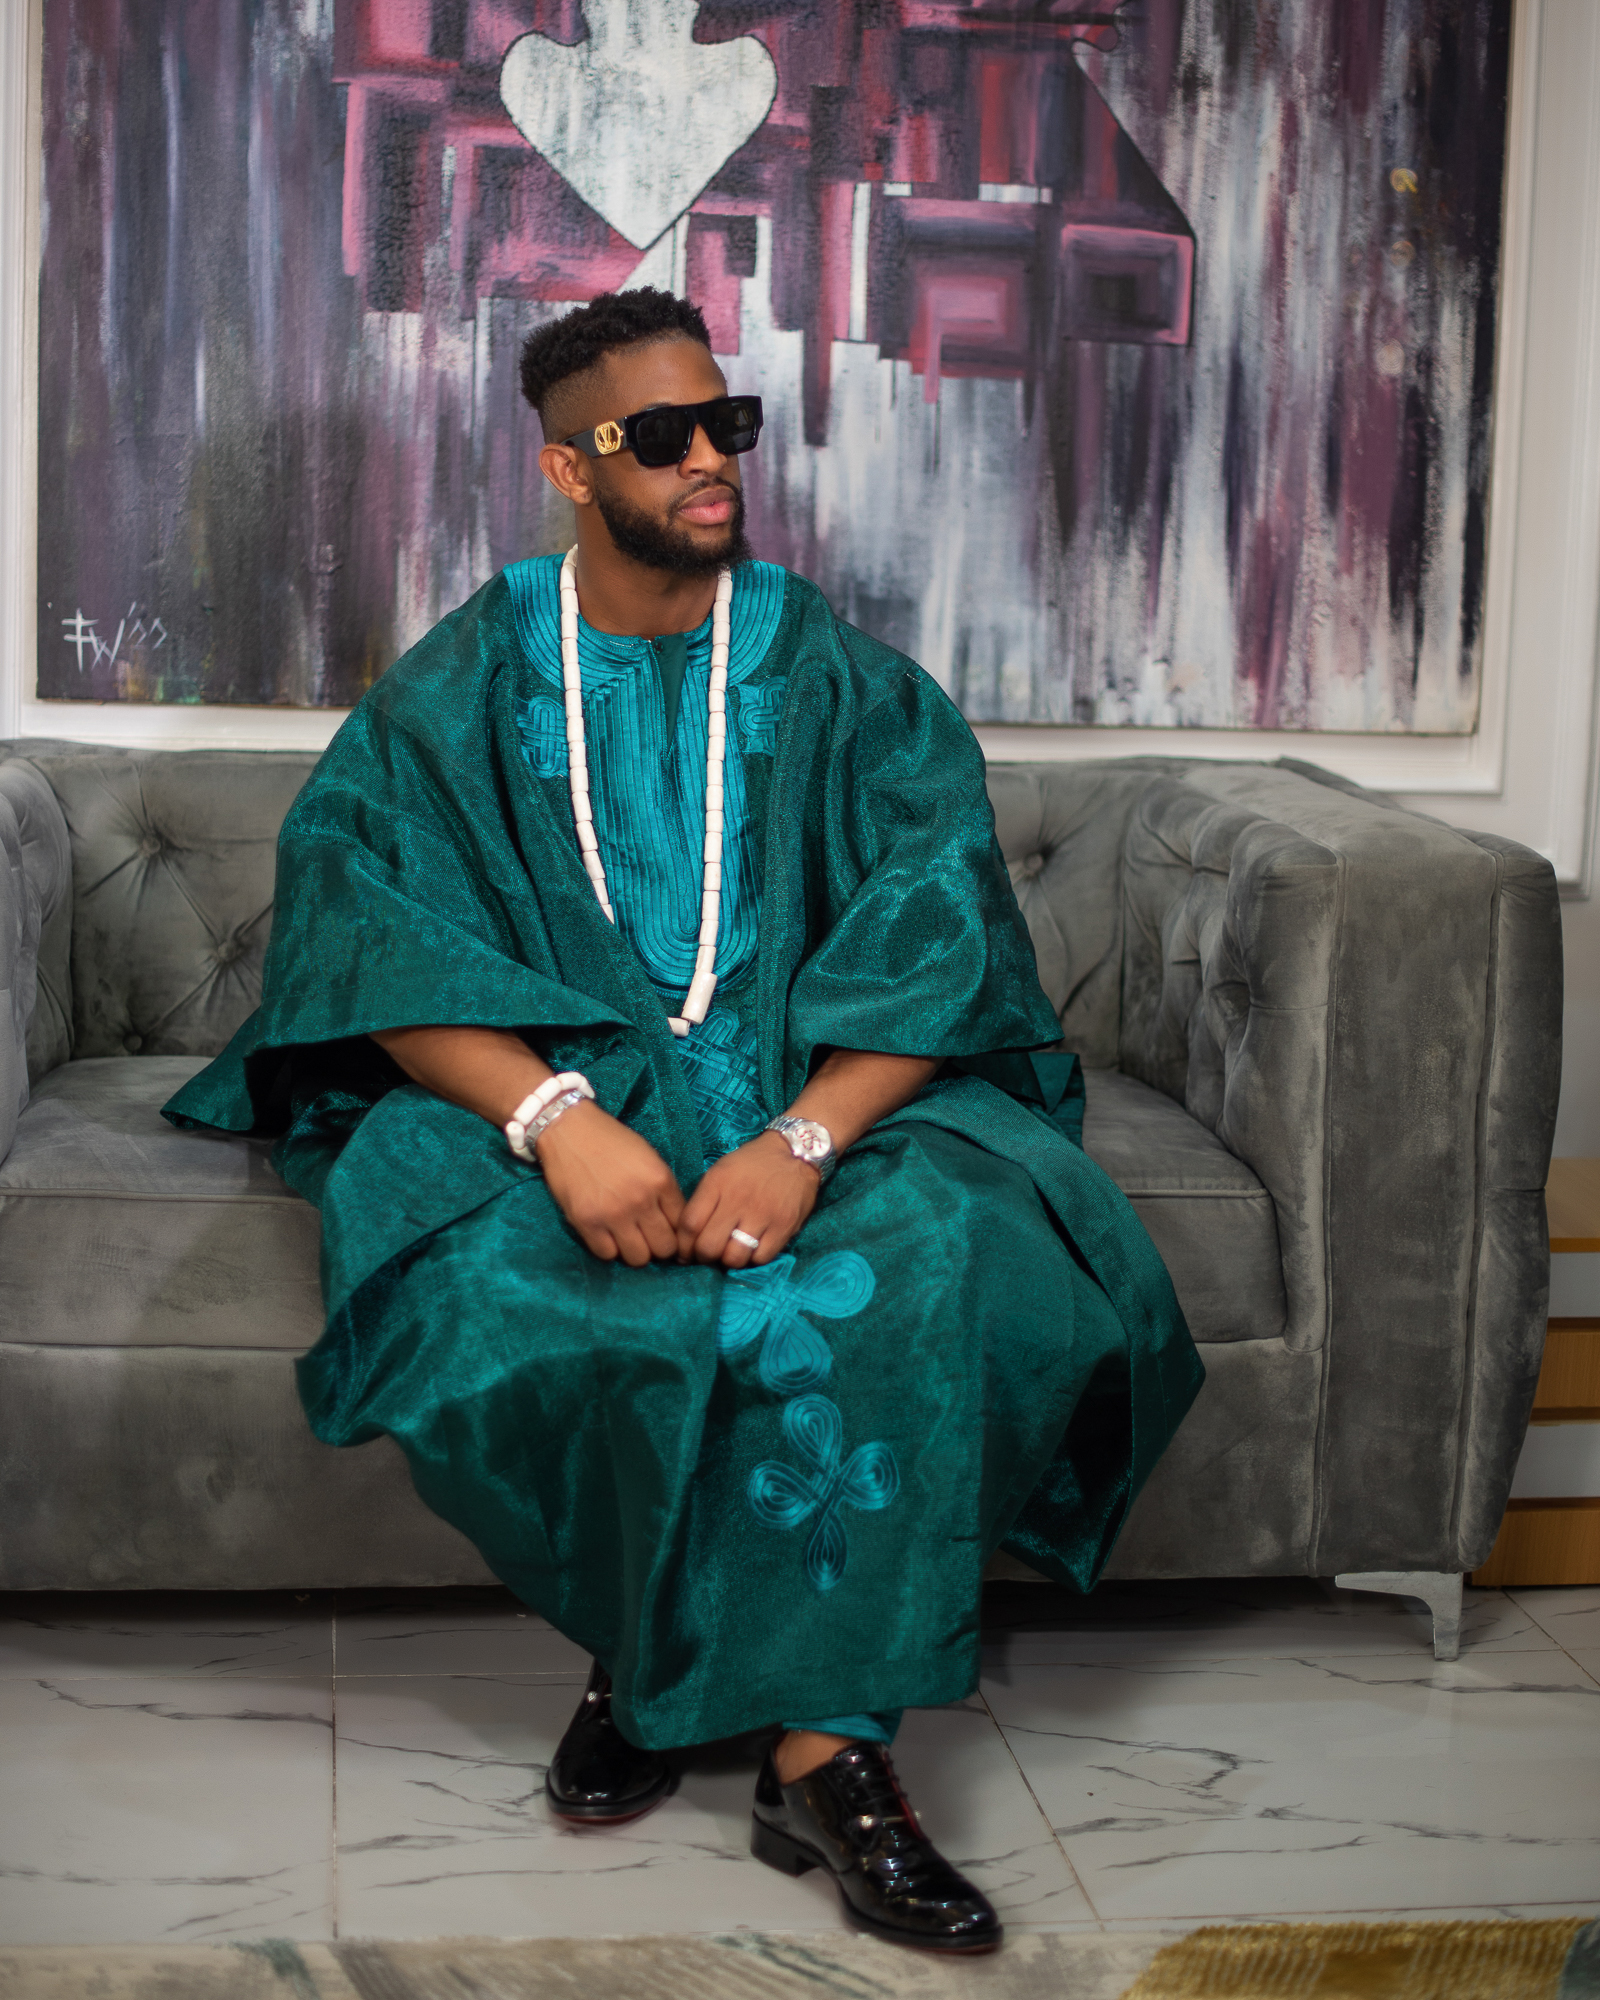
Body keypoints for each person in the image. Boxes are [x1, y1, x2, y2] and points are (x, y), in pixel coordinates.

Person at [165, 289, 1202, 1956]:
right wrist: (556, 1118)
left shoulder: (838, 676)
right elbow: (361, 924)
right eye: (665, 436)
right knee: (519, 1290)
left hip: (824, 1087)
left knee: (934, 1252)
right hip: (558, 1086)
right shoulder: (470, 676)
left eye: (730, 424)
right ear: (572, 465)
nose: (714, 458)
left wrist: (802, 1143)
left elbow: (938, 925)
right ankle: (668, 1659)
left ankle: (822, 1754)